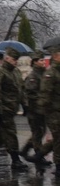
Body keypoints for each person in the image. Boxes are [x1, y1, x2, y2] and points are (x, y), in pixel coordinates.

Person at [0, 47, 28, 171]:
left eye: (17, 60)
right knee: (11, 134)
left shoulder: (16, 72)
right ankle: (15, 160)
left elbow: (21, 90)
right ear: (7, 58)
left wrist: (25, 105)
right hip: (4, 110)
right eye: (14, 59)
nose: (16, 62)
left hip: (12, 109)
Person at [30, 44, 60, 176]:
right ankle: (58, 166)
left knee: (58, 139)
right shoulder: (51, 73)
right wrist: (42, 112)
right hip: (53, 112)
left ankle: (39, 155)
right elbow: (45, 94)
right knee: (58, 139)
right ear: (56, 56)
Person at [20, 50, 49, 164]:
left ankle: (25, 149)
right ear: (35, 62)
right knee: (38, 133)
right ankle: (38, 156)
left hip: (42, 109)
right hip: (34, 110)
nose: (43, 62)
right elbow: (30, 94)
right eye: (41, 60)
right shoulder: (33, 77)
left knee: (40, 132)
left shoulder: (44, 74)